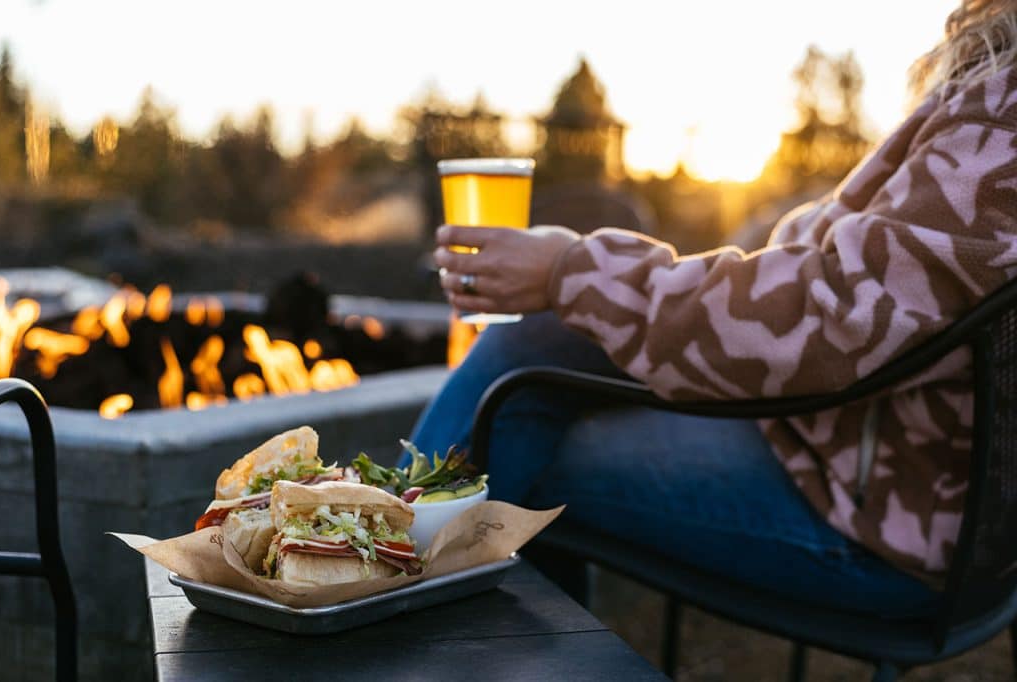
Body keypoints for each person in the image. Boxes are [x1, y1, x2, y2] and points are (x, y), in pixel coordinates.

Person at [406, 0, 1017, 616]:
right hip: (850, 450)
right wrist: (583, 277)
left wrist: (573, 269)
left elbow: (835, 316)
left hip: (887, 518)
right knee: (531, 350)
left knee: (508, 443)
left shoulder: (1008, 117)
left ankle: (374, 584)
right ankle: (375, 554)